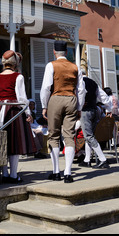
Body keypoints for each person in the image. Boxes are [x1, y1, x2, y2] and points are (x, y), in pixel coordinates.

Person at [0, 50, 36, 184]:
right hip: (14, 110)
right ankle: (13, 175)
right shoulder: (18, 76)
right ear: (15, 63)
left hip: (1, 111)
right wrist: (28, 113)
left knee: (4, 141)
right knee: (15, 142)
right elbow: (22, 98)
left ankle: (5, 174)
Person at [40, 40, 85, 183]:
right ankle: (68, 173)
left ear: (54, 52)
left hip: (56, 98)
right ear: (66, 52)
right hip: (71, 99)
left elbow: (46, 87)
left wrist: (44, 105)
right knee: (69, 136)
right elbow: (81, 90)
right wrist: (79, 107)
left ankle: (56, 172)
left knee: (53, 136)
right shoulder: (75, 67)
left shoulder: (51, 65)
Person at [78, 69, 112, 169]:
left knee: (88, 136)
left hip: (85, 111)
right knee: (89, 136)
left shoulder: (80, 82)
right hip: (94, 110)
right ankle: (87, 160)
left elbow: (80, 93)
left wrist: (78, 107)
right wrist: (108, 108)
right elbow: (104, 97)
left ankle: (103, 159)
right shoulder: (93, 83)